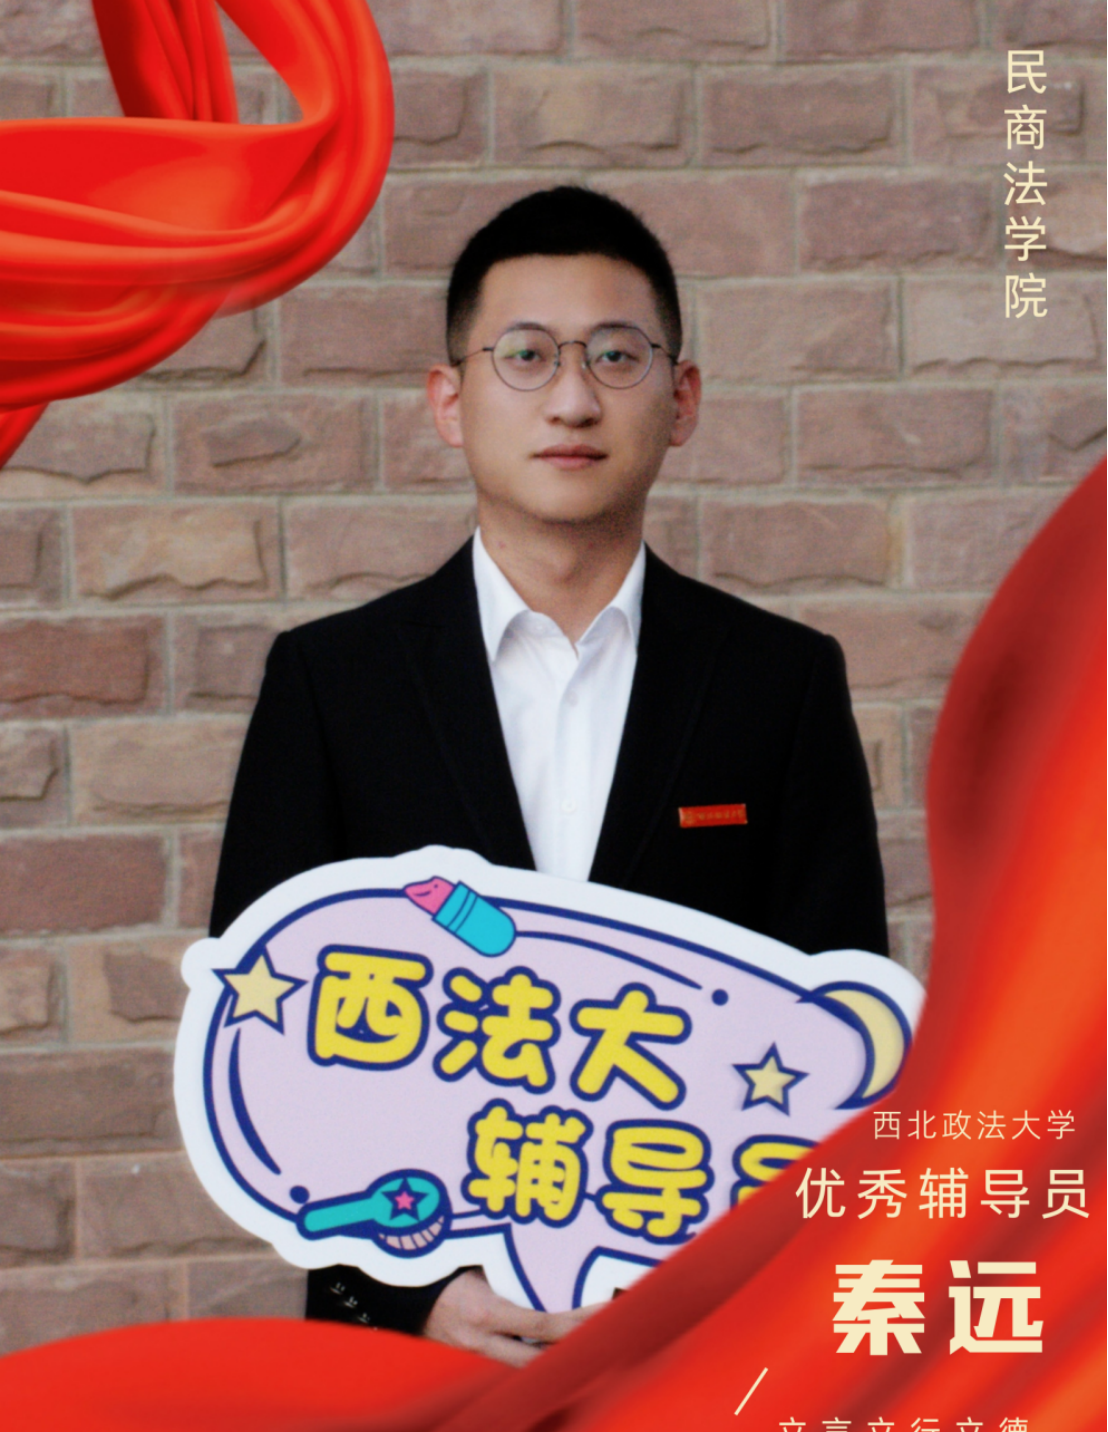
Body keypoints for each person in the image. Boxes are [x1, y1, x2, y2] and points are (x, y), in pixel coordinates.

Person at [210, 186, 887, 1365]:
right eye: (525, 356)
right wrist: (410, 1293)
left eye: (615, 356)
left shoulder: (779, 683)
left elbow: (838, 1043)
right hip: (415, 1355)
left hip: (703, 1352)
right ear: (449, 400)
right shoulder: (333, 683)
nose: (572, 399)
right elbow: (265, 1038)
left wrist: (701, 1295)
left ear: (681, 400)